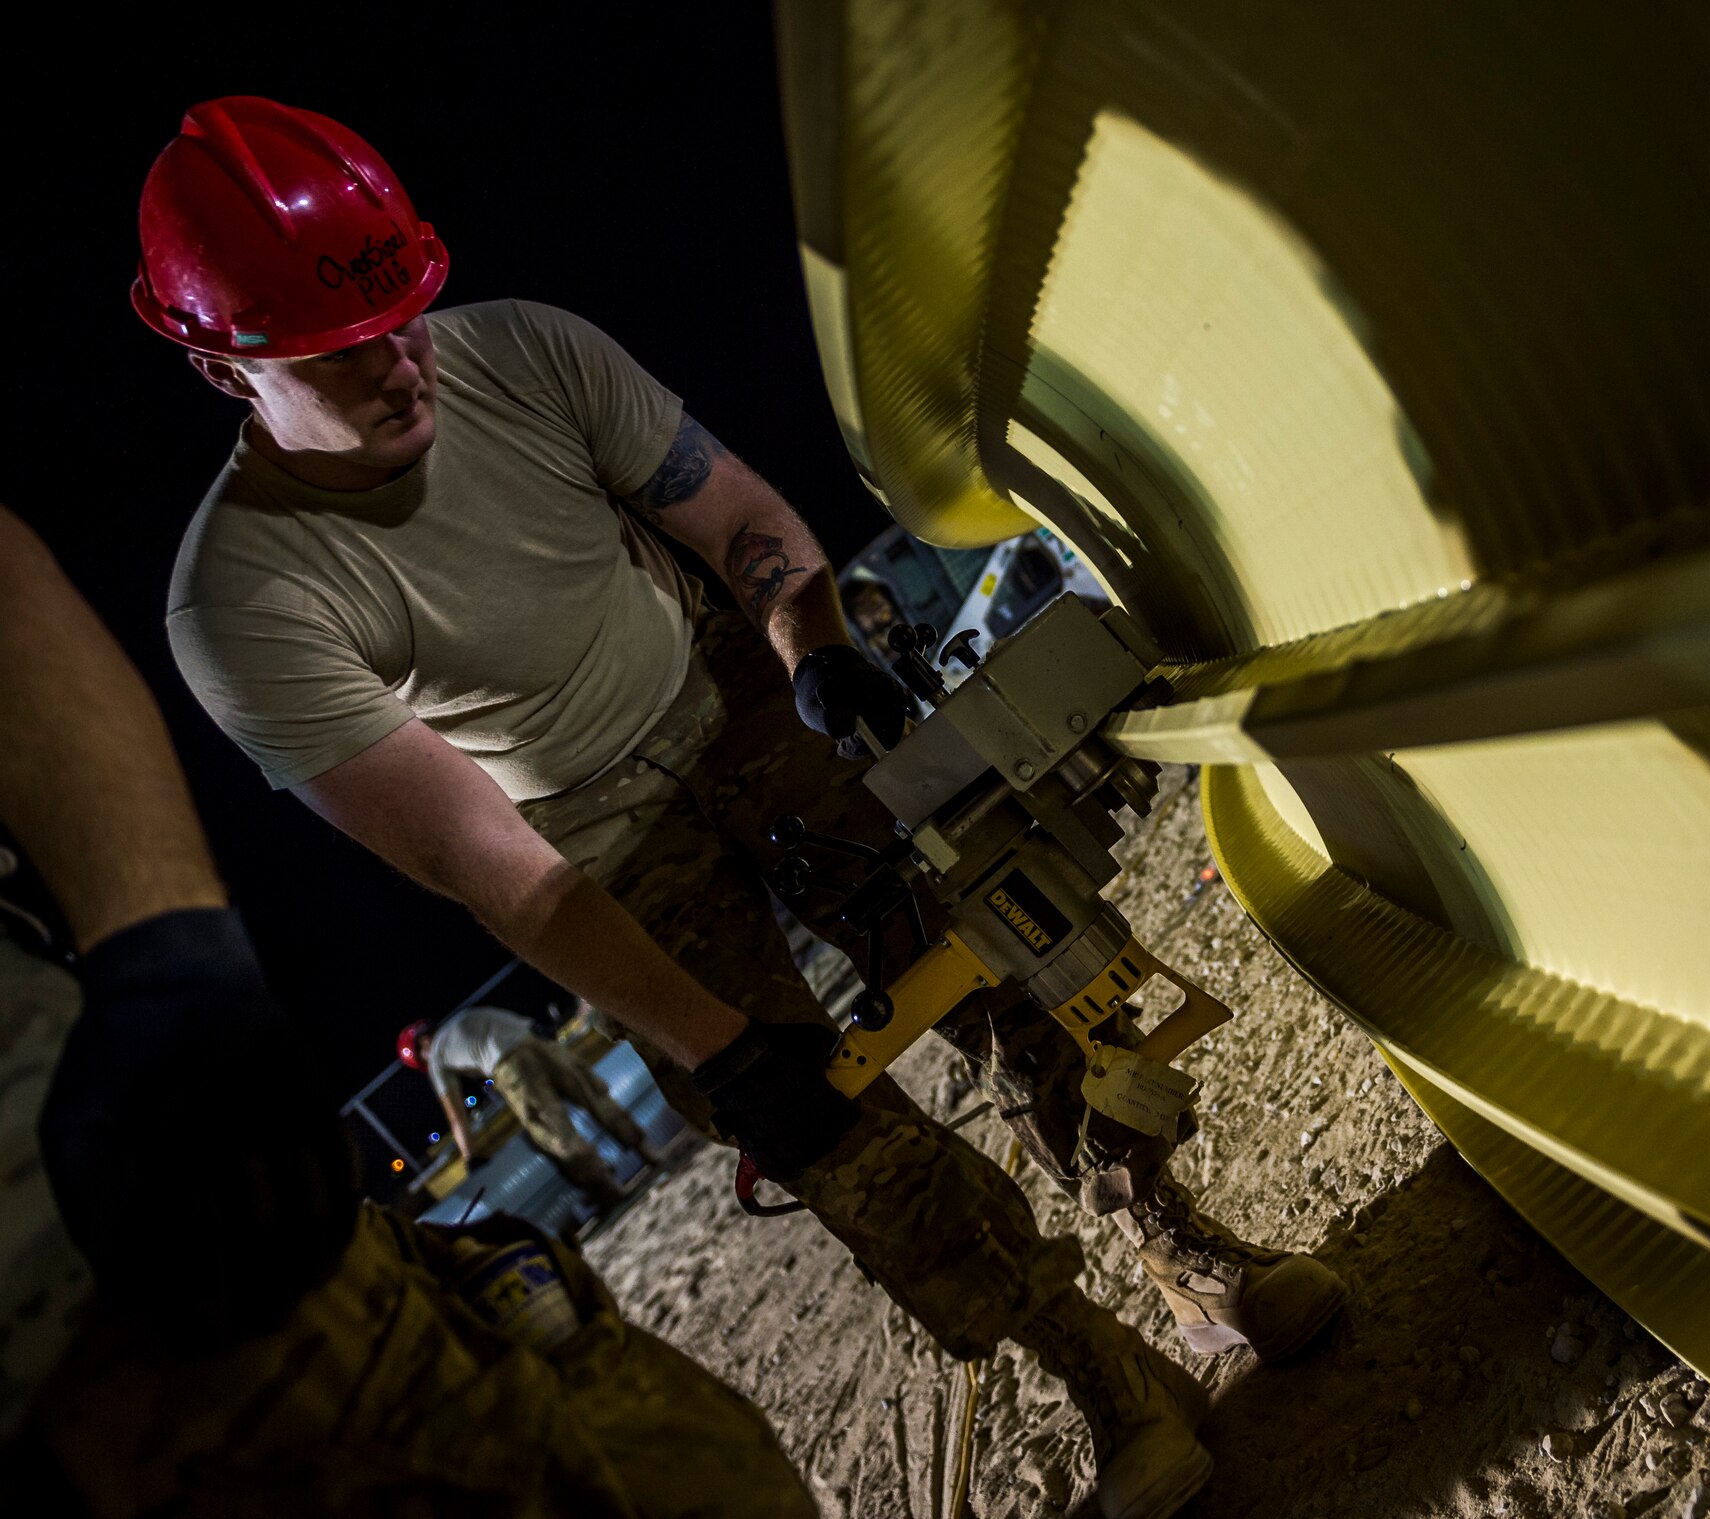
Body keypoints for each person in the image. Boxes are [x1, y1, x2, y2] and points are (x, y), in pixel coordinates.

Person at [146, 96, 1342, 1516]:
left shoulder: (521, 349)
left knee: (999, 951)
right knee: (830, 1132)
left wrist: (813, 642)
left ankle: (1193, 1257)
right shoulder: (244, 604)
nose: (407, 362)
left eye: (408, 306)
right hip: (583, 837)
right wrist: (714, 1044)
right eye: (346, 350)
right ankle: (1105, 1373)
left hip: (734, 690)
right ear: (229, 369)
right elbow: (491, 861)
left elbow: (738, 524)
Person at [0, 504, 816, 1515]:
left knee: (638, 1469)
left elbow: (472, 1100)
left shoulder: (437, 1053)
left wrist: (172, 964)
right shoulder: (449, 1037)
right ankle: (623, 1162)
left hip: (106, 1263)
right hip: (140, 1242)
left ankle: (614, 1165)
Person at [401, 1003, 670, 1210]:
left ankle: (610, 1189)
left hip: (510, 1066)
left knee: (553, 1130)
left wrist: (470, 1157)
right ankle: (648, 1152)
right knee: (593, 1096)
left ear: (423, 1046)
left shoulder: (436, 1058)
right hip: (536, 1041)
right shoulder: (466, 1016)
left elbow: (456, 1115)